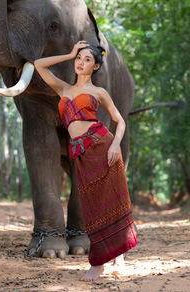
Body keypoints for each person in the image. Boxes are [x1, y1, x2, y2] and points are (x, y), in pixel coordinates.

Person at [34, 40, 137, 281]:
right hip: (80, 152)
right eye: (79, 58)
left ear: (96, 67)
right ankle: (110, 260)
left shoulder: (98, 92)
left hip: (102, 145)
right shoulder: (63, 89)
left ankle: (106, 262)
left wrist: (115, 145)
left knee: (111, 201)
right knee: (92, 205)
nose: (81, 62)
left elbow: (119, 120)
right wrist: (68, 53)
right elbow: (39, 65)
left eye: (87, 59)